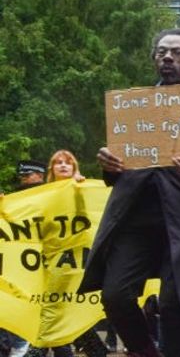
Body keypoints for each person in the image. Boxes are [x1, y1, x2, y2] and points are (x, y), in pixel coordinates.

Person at [79, 28, 180, 357]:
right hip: (134, 221)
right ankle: (145, 351)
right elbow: (120, 169)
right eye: (162, 52)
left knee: (174, 304)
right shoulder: (134, 105)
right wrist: (109, 164)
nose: (167, 57)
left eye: (177, 52)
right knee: (115, 296)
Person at [22, 151, 109, 357]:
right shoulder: (42, 195)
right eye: (58, 163)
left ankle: (36, 351)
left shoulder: (84, 189)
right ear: (51, 169)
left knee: (54, 315)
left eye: (68, 163)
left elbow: (90, 218)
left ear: (74, 168)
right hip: (51, 264)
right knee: (66, 314)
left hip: (76, 266)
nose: (63, 165)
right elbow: (26, 220)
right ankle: (96, 351)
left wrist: (79, 191)